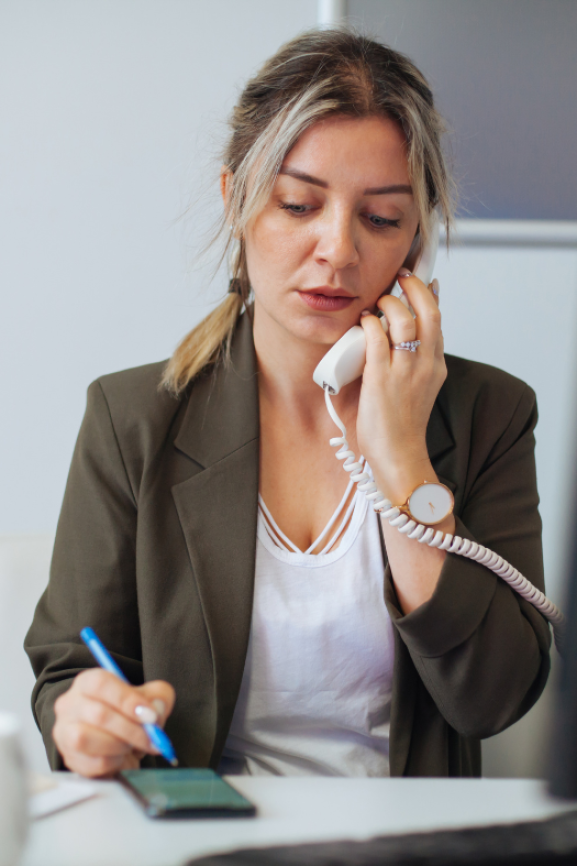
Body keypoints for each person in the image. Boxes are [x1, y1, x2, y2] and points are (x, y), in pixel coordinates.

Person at [25, 29, 550, 779]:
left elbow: (491, 699)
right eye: (298, 204)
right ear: (235, 199)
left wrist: (400, 457)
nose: (336, 251)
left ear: (415, 243)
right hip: (202, 838)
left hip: (406, 843)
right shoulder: (133, 416)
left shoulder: (487, 413)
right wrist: (83, 721)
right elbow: (69, 671)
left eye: (380, 218)